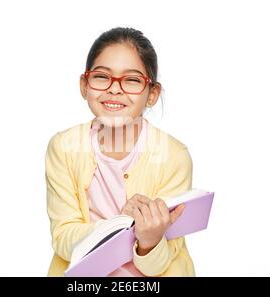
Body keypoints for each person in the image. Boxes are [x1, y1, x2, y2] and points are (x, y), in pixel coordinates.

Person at [46, 27, 195, 276]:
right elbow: (63, 239)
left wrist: (150, 240)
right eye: (102, 77)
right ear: (85, 85)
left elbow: (161, 262)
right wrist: (123, 225)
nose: (115, 89)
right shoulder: (63, 147)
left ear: (152, 94)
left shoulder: (174, 155)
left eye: (132, 80)